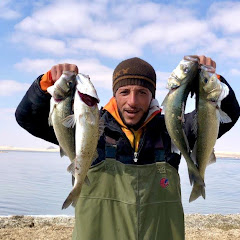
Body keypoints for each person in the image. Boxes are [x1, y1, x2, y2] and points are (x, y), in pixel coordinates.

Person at [15, 56, 240, 240]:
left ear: (153, 95)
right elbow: (27, 118)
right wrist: (45, 84)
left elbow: (225, 118)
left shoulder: (172, 129)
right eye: (124, 92)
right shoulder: (90, 127)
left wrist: (212, 79)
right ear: (115, 94)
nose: (132, 101)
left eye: (142, 92)